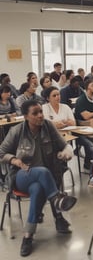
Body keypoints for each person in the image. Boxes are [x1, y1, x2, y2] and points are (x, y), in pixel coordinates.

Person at [0, 100, 77, 257]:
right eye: (35, 113)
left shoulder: (48, 127)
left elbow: (64, 146)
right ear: (26, 116)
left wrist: (65, 153)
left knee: (38, 188)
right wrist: (15, 160)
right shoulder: (17, 131)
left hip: (44, 180)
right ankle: (57, 206)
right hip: (21, 175)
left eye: (41, 111)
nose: (40, 115)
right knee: (41, 172)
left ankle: (28, 236)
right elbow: (1, 152)